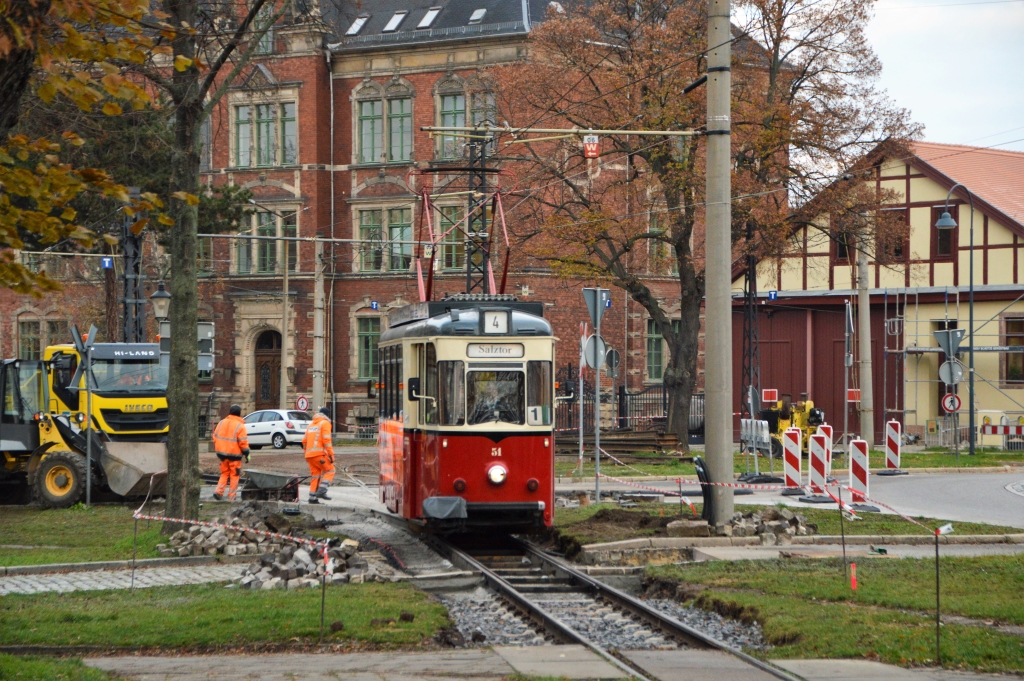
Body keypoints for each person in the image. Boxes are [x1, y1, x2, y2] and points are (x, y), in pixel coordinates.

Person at [212, 404, 250, 501]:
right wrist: (247, 453)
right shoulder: (240, 426)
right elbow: (243, 442)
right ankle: (231, 497)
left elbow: (214, 436)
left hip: (222, 455)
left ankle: (218, 492)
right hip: (235, 456)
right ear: (239, 414)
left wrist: (219, 448)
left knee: (224, 473)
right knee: (234, 475)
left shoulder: (221, 423)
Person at [302, 407, 335, 503]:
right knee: (330, 470)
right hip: (319, 454)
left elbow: (304, 441)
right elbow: (326, 440)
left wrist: (306, 453)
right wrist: (331, 454)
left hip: (309, 456)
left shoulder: (311, 424)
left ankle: (312, 498)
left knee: (316, 476)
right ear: (327, 415)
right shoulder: (325, 423)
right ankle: (322, 491)